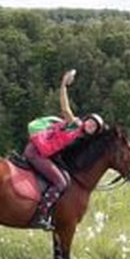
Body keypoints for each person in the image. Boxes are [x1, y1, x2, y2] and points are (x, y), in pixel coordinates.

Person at [23, 69, 104, 230]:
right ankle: (41, 215)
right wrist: (63, 86)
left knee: (63, 178)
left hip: (43, 153)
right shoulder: (75, 124)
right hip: (37, 153)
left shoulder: (80, 138)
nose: (90, 125)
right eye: (90, 122)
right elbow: (65, 109)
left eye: (94, 127)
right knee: (60, 182)